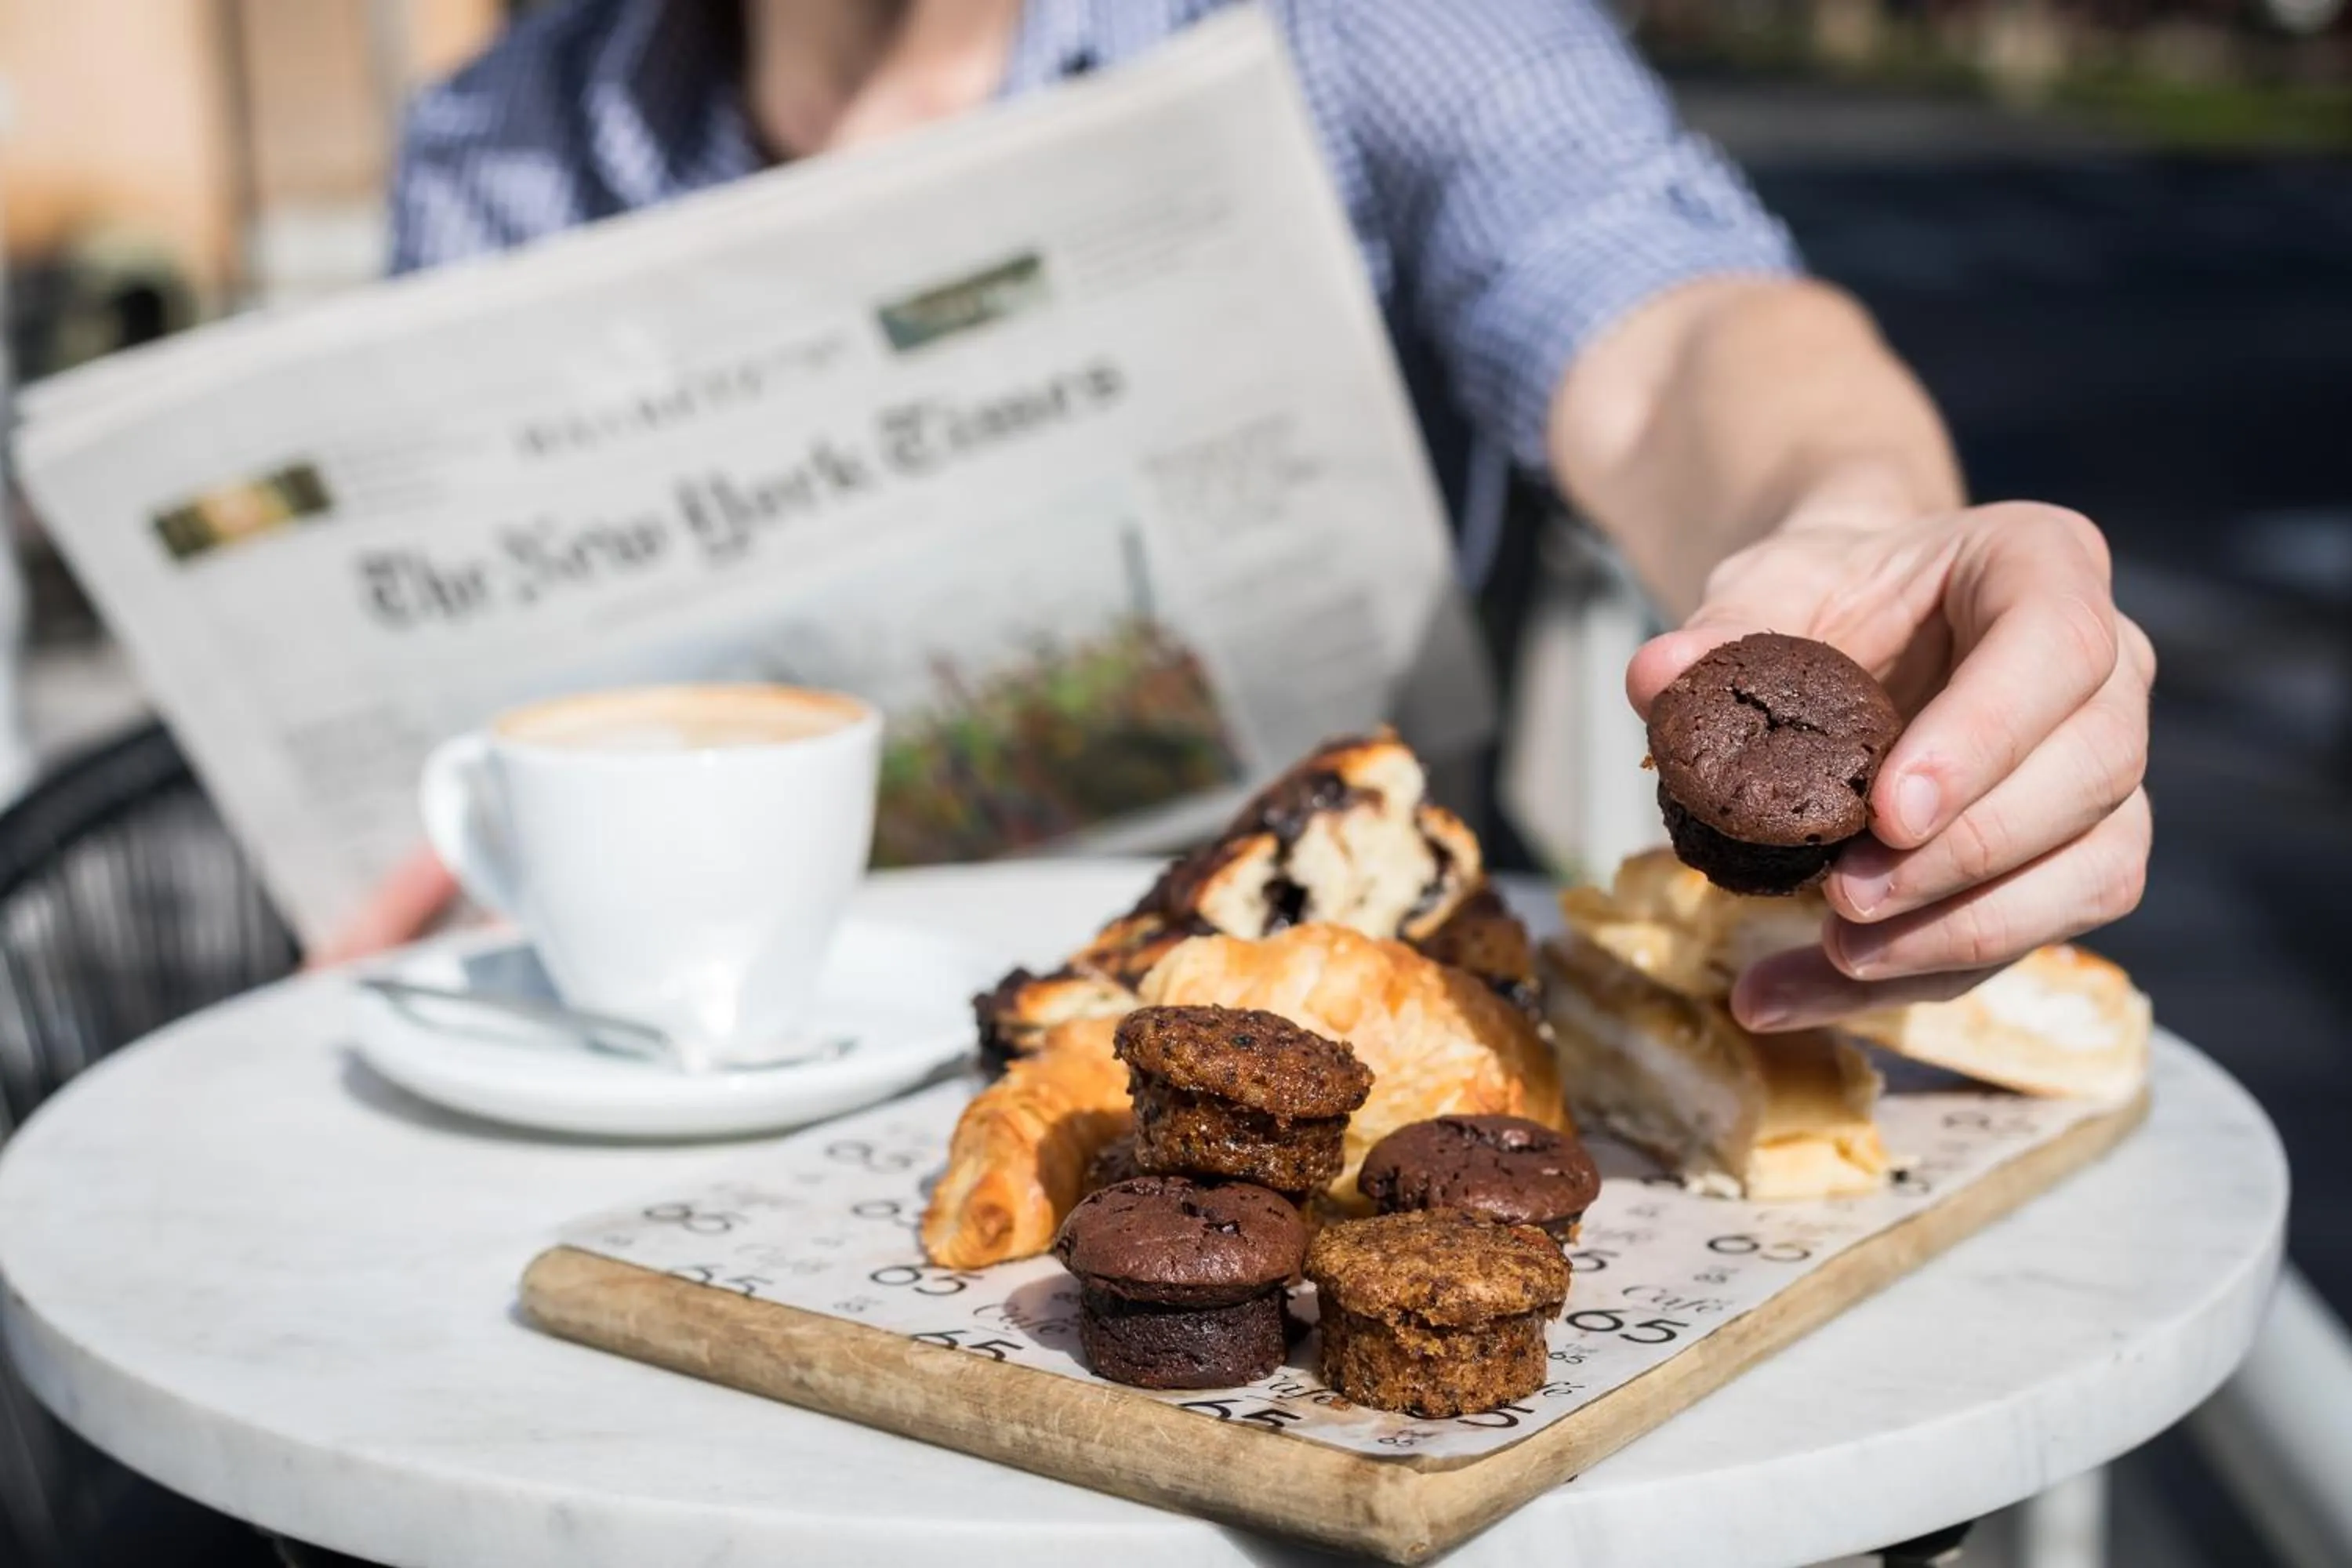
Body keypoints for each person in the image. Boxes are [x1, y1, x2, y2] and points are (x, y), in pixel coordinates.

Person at [327, 0, 2154, 1038]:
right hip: (710, 1052)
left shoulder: (1375, 29)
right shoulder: (498, 136)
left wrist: (1859, 527)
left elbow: (1677, 341)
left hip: (1359, 1011)